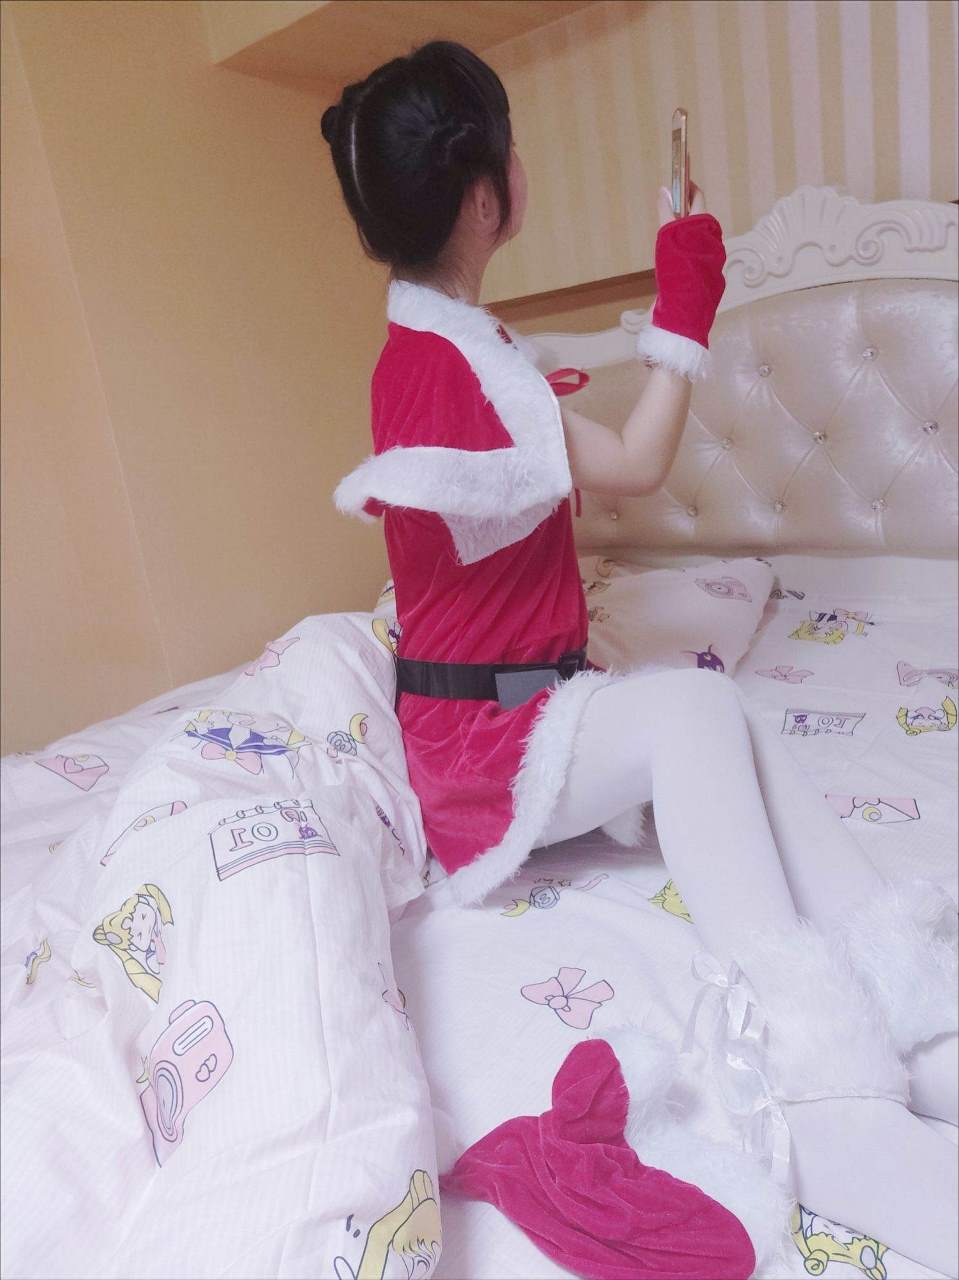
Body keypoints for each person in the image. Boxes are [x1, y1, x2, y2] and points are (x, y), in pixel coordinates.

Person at [324, 40, 958, 1276]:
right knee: (691, 716)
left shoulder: (440, 351)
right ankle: (823, 1085)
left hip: (496, 721)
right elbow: (637, 462)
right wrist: (684, 308)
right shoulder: (461, 372)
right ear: (486, 194)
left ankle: (909, 1001)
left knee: (732, 726)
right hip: (486, 752)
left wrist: (650, 322)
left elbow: (543, 403)